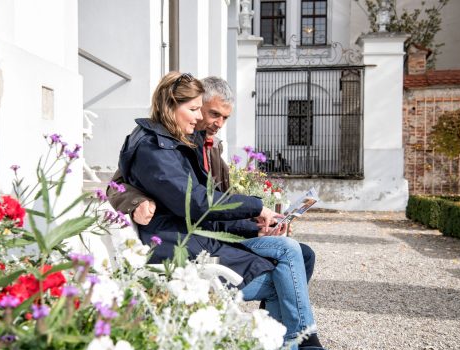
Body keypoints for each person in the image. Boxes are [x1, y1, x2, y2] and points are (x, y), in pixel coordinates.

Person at [116, 72, 366, 350]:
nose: (205, 119)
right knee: (285, 272)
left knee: (295, 254)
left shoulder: (183, 143)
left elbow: (205, 208)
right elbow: (189, 202)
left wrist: (256, 225)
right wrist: (255, 207)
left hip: (201, 238)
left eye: (208, 113)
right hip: (180, 250)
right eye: (198, 110)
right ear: (172, 106)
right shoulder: (157, 147)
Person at [108, 76, 315, 283]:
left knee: (302, 255)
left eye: (225, 118)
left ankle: (271, 314)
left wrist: (257, 226)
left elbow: (217, 202)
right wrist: (135, 200)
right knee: (284, 264)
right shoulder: (165, 144)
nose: (219, 124)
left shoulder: (213, 147)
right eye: (213, 114)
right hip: (192, 240)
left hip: (211, 232)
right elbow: (117, 184)